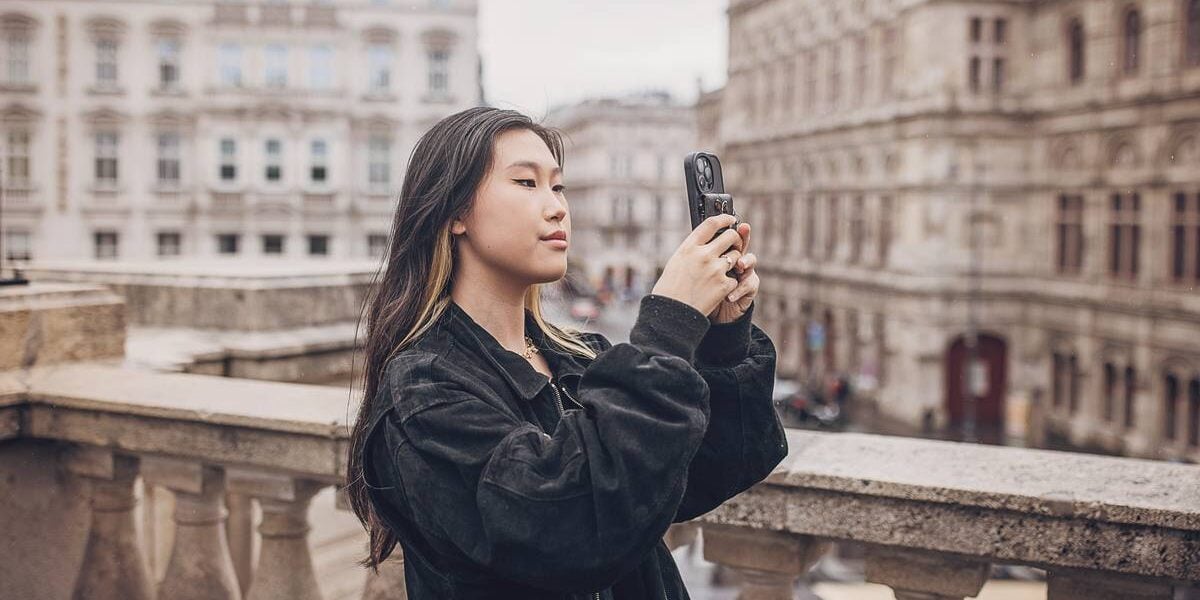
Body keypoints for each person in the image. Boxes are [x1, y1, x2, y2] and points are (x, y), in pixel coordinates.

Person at [345, 106, 788, 599]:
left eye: (558, 187)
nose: (557, 207)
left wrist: (723, 338)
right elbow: (566, 527)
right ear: (454, 214)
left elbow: (699, 474)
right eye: (526, 183)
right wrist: (667, 323)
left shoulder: (577, 355)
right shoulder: (424, 392)